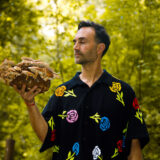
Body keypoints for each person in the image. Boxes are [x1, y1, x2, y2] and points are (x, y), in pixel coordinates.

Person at [14, 21, 149, 160]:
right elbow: (45, 137)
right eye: (75, 42)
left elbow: (135, 151)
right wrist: (30, 103)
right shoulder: (62, 92)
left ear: (99, 48)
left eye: (82, 42)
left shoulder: (123, 92)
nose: (75, 47)